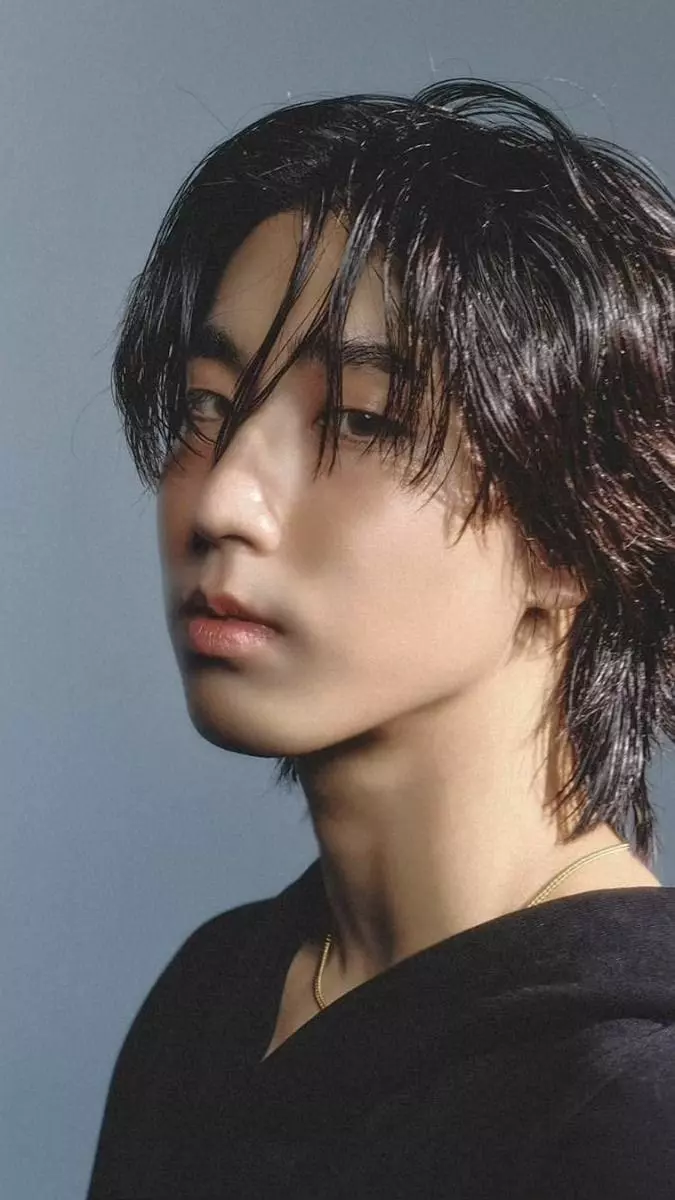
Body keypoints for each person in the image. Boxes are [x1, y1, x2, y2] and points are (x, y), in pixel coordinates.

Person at [86, 78, 675, 1198]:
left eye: (360, 420)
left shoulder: (632, 1110)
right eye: (209, 405)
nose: (224, 502)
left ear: (580, 530)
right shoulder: (213, 1000)